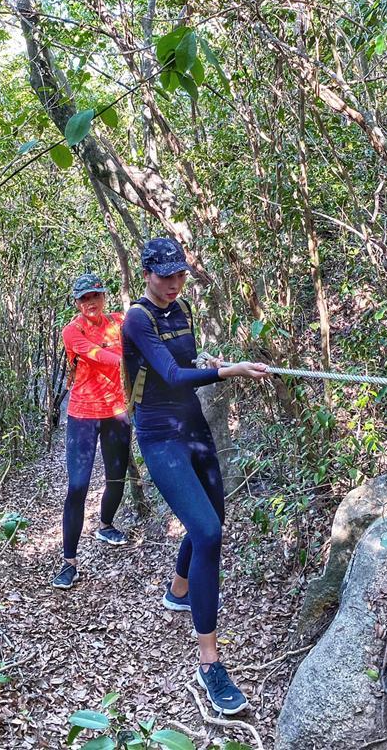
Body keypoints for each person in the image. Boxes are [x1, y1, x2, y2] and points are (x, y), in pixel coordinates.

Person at [122, 238, 270, 714]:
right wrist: (228, 372)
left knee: (214, 518)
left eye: (180, 274)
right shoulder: (137, 318)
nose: (173, 283)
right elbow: (166, 373)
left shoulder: (181, 308)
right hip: (160, 433)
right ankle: (209, 661)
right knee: (207, 532)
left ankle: (179, 589)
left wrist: (206, 363)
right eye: (165, 275)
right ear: (146, 273)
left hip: (193, 425)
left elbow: (184, 363)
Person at [52, 273, 130, 590]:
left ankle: (106, 524)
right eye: (84, 298)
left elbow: (145, 329)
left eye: (95, 295)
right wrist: (130, 360)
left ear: (104, 296)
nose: (91, 303)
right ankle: (69, 562)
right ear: (77, 302)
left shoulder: (119, 322)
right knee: (78, 486)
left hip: (116, 411)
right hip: (82, 414)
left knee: (116, 477)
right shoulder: (72, 331)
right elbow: (99, 356)